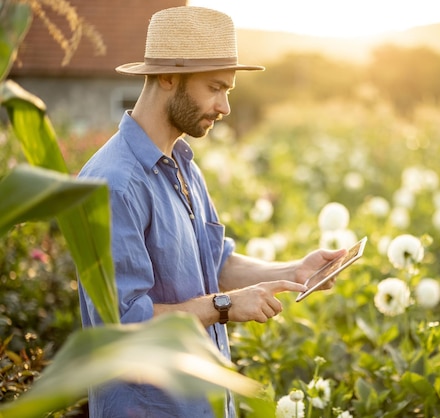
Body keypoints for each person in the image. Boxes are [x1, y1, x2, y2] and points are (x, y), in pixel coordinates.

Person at [77, 6, 346, 418]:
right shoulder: (114, 183)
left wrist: (293, 272)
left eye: (229, 91)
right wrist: (224, 306)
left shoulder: (183, 164)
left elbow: (212, 264)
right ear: (168, 77)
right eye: (216, 87)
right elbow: (124, 324)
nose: (225, 107)